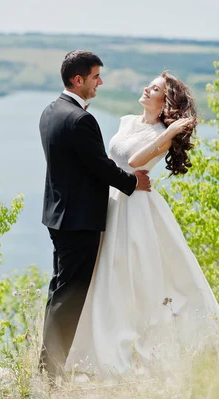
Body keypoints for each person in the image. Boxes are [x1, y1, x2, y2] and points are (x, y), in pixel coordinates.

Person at [65, 71, 219, 379]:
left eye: (154, 88)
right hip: (114, 201)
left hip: (137, 209)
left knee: (134, 272)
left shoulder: (162, 136)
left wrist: (168, 134)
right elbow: (109, 161)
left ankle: (133, 339)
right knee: (107, 270)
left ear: (164, 102)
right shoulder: (127, 121)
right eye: (149, 84)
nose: (146, 88)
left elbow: (134, 161)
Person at [38, 50, 151, 382]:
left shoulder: (50, 112)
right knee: (69, 296)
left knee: (59, 292)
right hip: (79, 221)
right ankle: (51, 373)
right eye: (96, 76)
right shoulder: (80, 119)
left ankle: (47, 367)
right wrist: (132, 181)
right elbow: (99, 166)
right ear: (79, 80)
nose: (100, 82)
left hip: (58, 216)